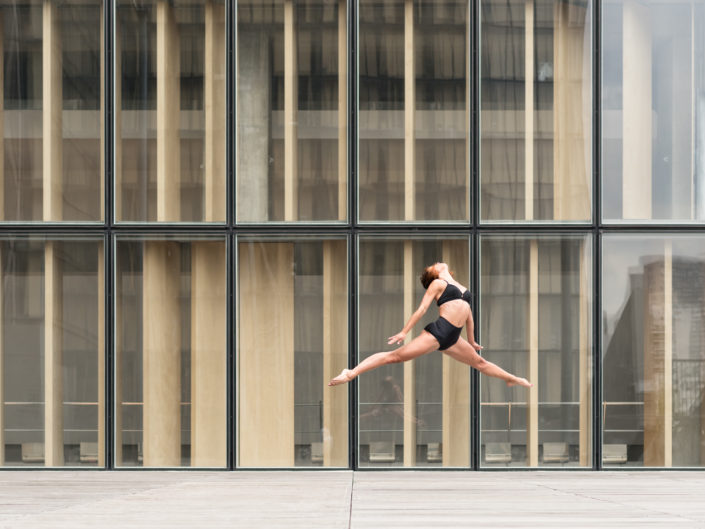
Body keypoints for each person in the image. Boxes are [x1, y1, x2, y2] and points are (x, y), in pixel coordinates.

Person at [329, 262, 532, 388]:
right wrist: (403, 332)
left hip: (454, 337)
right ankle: (351, 373)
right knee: (394, 357)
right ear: (433, 275)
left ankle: (511, 378)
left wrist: (472, 341)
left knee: (480, 363)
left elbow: (469, 315)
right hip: (439, 332)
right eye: (432, 266)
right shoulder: (438, 284)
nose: (437, 263)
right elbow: (422, 309)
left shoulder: (462, 288)